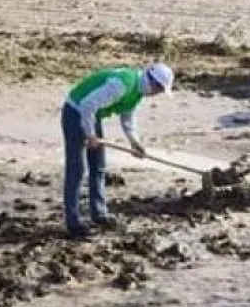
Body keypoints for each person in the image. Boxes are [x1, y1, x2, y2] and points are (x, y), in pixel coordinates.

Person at [61, 63, 174, 238]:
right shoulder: (122, 85)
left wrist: (134, 142)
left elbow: (127, 118)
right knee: (77, 169)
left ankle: (99, 214)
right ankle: (73, 222)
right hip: (76, 111)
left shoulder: (137, 92)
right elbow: (87, 104)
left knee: (98, 166)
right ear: (152, 81)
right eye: (159, 89)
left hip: (93, 115)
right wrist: (90, 135)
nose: (157, 94)